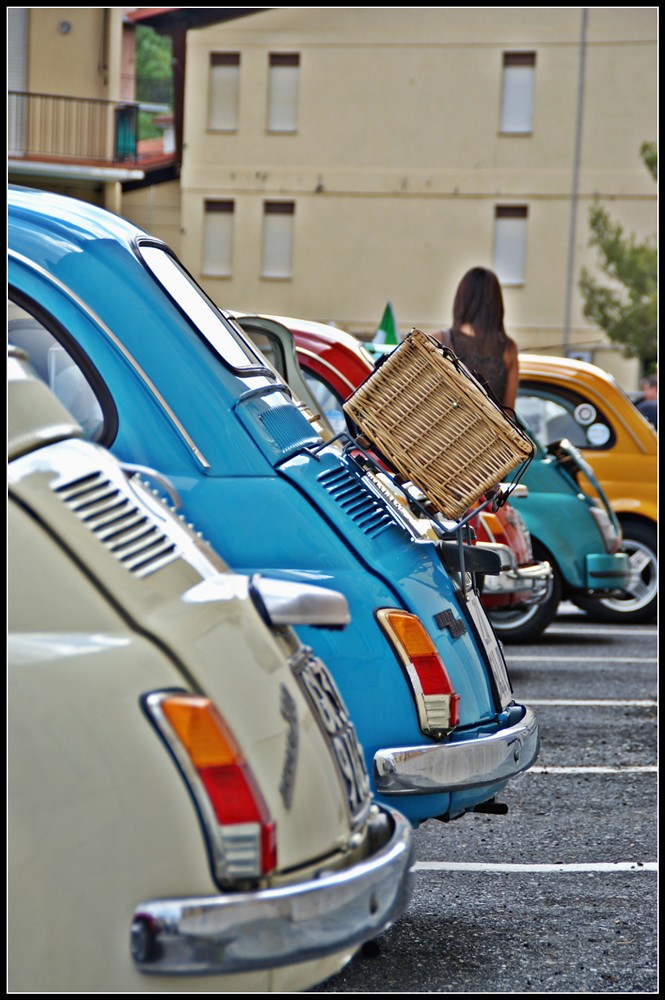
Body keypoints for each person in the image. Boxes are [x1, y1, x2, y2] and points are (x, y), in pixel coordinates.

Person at [432, 266, 519, 411]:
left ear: (461, 299)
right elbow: (509, 414)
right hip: (489, 434)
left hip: (437, 431)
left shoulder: (439, 340)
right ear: (496, 305)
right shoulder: (508, 349)